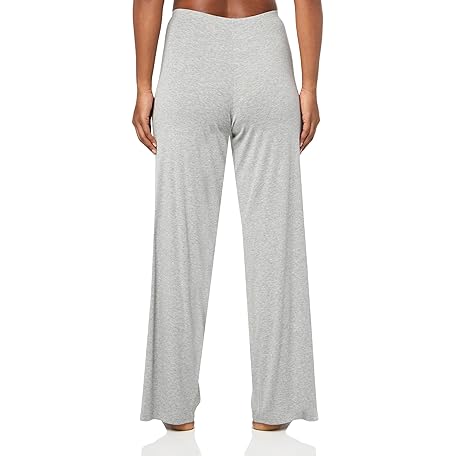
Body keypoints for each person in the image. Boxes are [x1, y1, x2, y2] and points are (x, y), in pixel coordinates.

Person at [133, 0, 323, 432]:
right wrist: (309, 86)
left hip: (190, 52)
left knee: (180, 240)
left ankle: (173, 405)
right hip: (265, 51)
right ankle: (278, 406)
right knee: (277, 242)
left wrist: (144, 86)